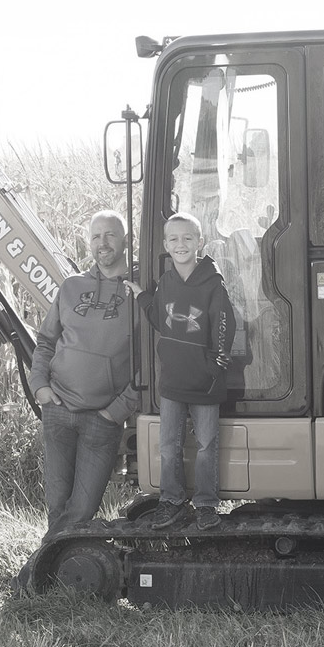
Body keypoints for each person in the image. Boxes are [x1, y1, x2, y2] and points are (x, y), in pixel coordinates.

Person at [29, 210, 139, 542]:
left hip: (101, 419)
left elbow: (152, 362)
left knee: (81, 509)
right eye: (95, 236)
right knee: (57, 505)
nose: (102, 243)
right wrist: (40, 388)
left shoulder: (139, 293)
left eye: (109, 235)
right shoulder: (72, 286)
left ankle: (39, 573)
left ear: (126, 241)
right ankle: (52, 578)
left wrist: (116, 411)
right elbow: (46, 340)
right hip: (58, 411)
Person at [140, 212, 234, 531]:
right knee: (169, 445)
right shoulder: (166, 282)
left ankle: (206, 504)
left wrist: (215, 364)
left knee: (207, 444)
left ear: (200, 242)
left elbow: (224, 324)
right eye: (174, 239)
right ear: (166, 245)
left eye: (187, 238)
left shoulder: (213, 282)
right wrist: (142, 299)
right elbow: (161, 319)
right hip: (173, 381)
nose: (181, 244)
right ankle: (172, 499)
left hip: (205, 382)